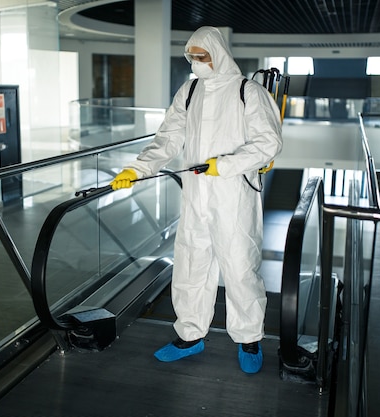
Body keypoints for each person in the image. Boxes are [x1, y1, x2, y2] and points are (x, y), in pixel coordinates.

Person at [110, 26, 283, 374]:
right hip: (195, 196)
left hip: (235, 195)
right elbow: (168, 138)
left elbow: (269, 143)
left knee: (239, 268)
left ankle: (249, 339)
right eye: (191, 57)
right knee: (191, 266)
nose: (196, 63)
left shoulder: (248, 92)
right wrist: (138, 169)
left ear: (218, 54)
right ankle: (189, 335)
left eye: (202, 56)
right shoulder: (189, 91)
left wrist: (225, 165)